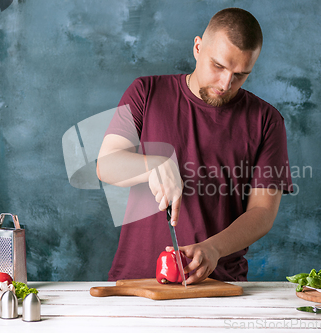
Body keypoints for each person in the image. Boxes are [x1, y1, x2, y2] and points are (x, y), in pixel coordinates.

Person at [97, 8, 292, 284]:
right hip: (137, 281)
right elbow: (106, 165)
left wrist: (214, 248)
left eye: (240, 74)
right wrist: (154, 164)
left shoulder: (267, 120)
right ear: (198, 47)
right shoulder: (145, 92)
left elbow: (262, 213)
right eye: (219, 66)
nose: (226, 83)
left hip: (220, 283)